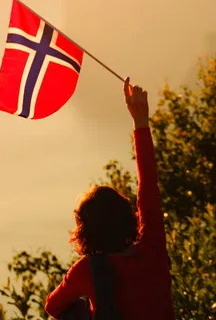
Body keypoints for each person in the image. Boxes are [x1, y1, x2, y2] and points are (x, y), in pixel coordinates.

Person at [44, 77, 175, 320]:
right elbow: (148, 187)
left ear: (85, 231)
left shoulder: (87, 270)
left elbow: (53, 306)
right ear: (126, 217)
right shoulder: (152, 247)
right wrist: (140, 121)